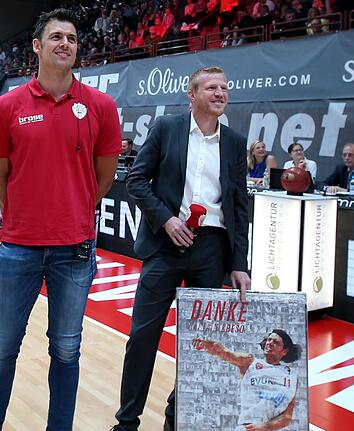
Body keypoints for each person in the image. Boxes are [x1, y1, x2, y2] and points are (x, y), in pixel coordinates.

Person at [0, 8, 120, 430]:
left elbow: (105, 176)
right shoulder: (7, 107)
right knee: (2, 347)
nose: (65, 44)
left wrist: (71, 209)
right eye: (56, 37)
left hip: (75, 249)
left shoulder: (101, 106)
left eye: (72, 39)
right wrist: (26, 213)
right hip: (18, 246)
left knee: (66, 350)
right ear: (37, 46)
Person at [112, 66, 251, 431]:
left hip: (211, 249)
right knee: (143, 336)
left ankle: (177, 415)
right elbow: (138, 180)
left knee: (201, 343)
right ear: (192, 95)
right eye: (211, 87)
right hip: (165, 243)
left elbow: (239, 205)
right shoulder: (167, 128)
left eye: (224, 87)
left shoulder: (235, 142)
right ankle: (127, 421)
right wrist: (166, 220)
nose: (220, 93)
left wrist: (239, 262)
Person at [193, 330, 301, 431]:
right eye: (269, 339)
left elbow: (286, 417)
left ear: (284, 351)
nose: (270, 343)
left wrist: (263, 427)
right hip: (247, 426)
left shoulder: (292, 377)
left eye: (276, 342)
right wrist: (205, 345)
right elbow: (223, 352)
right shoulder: (250, 363)